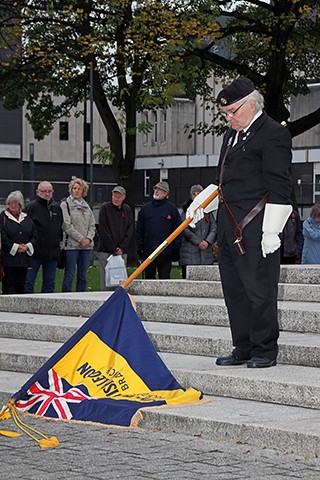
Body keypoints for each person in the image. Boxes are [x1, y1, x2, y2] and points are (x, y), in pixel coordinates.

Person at [215, 77, 292, 369]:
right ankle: (243, 345)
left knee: (259, 289)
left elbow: (280, 184)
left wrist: (272, 230)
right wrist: (201, 205)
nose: (229, 117)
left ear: (251, 104)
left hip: (257, 226)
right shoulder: (231, 135)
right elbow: (221, 178)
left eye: (233, 111)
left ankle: (264, 349)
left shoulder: (272, 133)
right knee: (234, 289)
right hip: (228, 224)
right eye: (226, 113)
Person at [136, 181, 182, 279]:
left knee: (165, 281)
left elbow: (178, 230)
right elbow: (139, 229)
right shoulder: (145, 209)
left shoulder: (172, 209)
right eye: (155, 189)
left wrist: (175, 249)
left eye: (159, 190)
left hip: (165, 253)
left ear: (166, 193)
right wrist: (140, 245)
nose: (156, 191)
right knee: (148, 282)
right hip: (149, 252)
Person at [24, 181, 63, 293]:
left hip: (52, 254)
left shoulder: (57, 209)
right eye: (44, 191)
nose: (47, 194)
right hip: (34, 253)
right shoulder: (31, 208)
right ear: (37, 192)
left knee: (49, 284)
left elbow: (59, 228)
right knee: (28, 282)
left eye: (49, 191)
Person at [60, 178, 96, 292]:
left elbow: (92, 225)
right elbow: (67, 225)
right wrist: (81, 239)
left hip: (86, 247)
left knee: (83, 276)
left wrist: (88, 239)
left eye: (79, 189)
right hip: (72, 246)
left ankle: (81, 296)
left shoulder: (87, 206)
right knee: (69, 275)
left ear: (83, 191)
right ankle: (66, 298)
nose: (76, 191)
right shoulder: (65, 205)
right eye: (74, 188)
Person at [97, 186, 133, 291]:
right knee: (106, 281)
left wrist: (122, 247)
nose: (116, 199)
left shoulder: (127, 210)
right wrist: (113, 249)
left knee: (120, 281)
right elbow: (103, 230)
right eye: (114, 196)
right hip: (106, 251)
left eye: (118, 197)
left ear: (123, 198)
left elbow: (129, 229)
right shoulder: (105, 208)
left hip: (121, 252)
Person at [0, 191, 36, 294]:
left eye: (16, 203)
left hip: (24, 260)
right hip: (8, 259)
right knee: (9, 285)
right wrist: (16, 247)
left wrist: (27, 246)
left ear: (20, 205)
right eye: (11, 203)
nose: (13, 205)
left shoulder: (27, 218)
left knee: (21, 285)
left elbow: (34, 235)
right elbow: (2, 236)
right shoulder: (2, 217)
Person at [180, 184, 217, 279]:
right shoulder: (186, 211)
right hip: (190, 253)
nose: (196, 196)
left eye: (198, 193)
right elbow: (184, 229)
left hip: (206, 253)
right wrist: (198, 242)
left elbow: (214, 227)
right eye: (194, 194)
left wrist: (207, 241)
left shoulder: (208, 211)